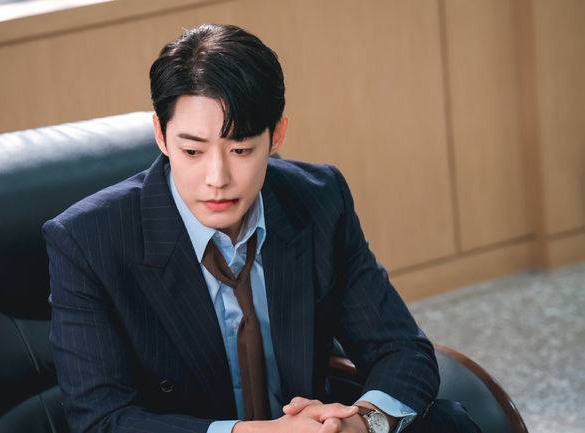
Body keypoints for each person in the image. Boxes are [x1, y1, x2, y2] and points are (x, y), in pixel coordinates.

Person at [43, 23, 481, 433]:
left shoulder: (319, 198)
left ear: (277, 135)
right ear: (161, 135)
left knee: (451, 423)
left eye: (241, 150)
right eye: (192, 152)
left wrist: (362, 423)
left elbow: (399, 348)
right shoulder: (86, 241)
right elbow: (102, 420)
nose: (217, 178)